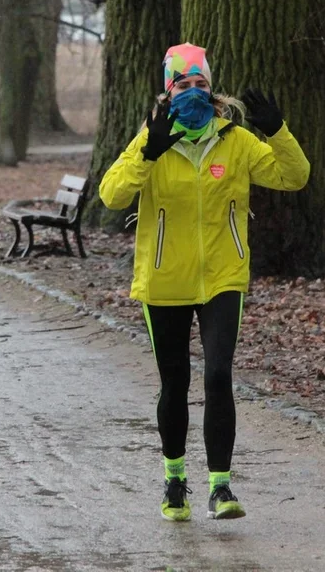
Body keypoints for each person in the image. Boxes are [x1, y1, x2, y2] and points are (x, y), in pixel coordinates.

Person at [99, 43, 310, 522]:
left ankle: (221, 486)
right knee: (175, 381)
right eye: (183, 85)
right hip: (163, 279)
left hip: (222, 276)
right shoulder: (150, 139)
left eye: (201, 85)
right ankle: (175, 482)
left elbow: (294, 177)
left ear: (211, 90)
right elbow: (111, 196)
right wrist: (148, 154)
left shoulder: (235, 140)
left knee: (218, 375)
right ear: (167, 92)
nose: (193, 92)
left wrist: (277, 132)